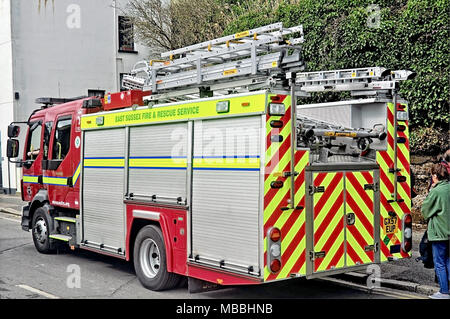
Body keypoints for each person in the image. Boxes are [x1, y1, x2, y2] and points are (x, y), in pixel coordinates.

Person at [421, 163, 450, 299]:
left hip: (439, 233)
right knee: (449, 261)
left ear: (434, 176)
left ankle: (444, 292)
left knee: (439, 262)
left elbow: (425, 211)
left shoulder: (436, 191)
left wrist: (430, 191)